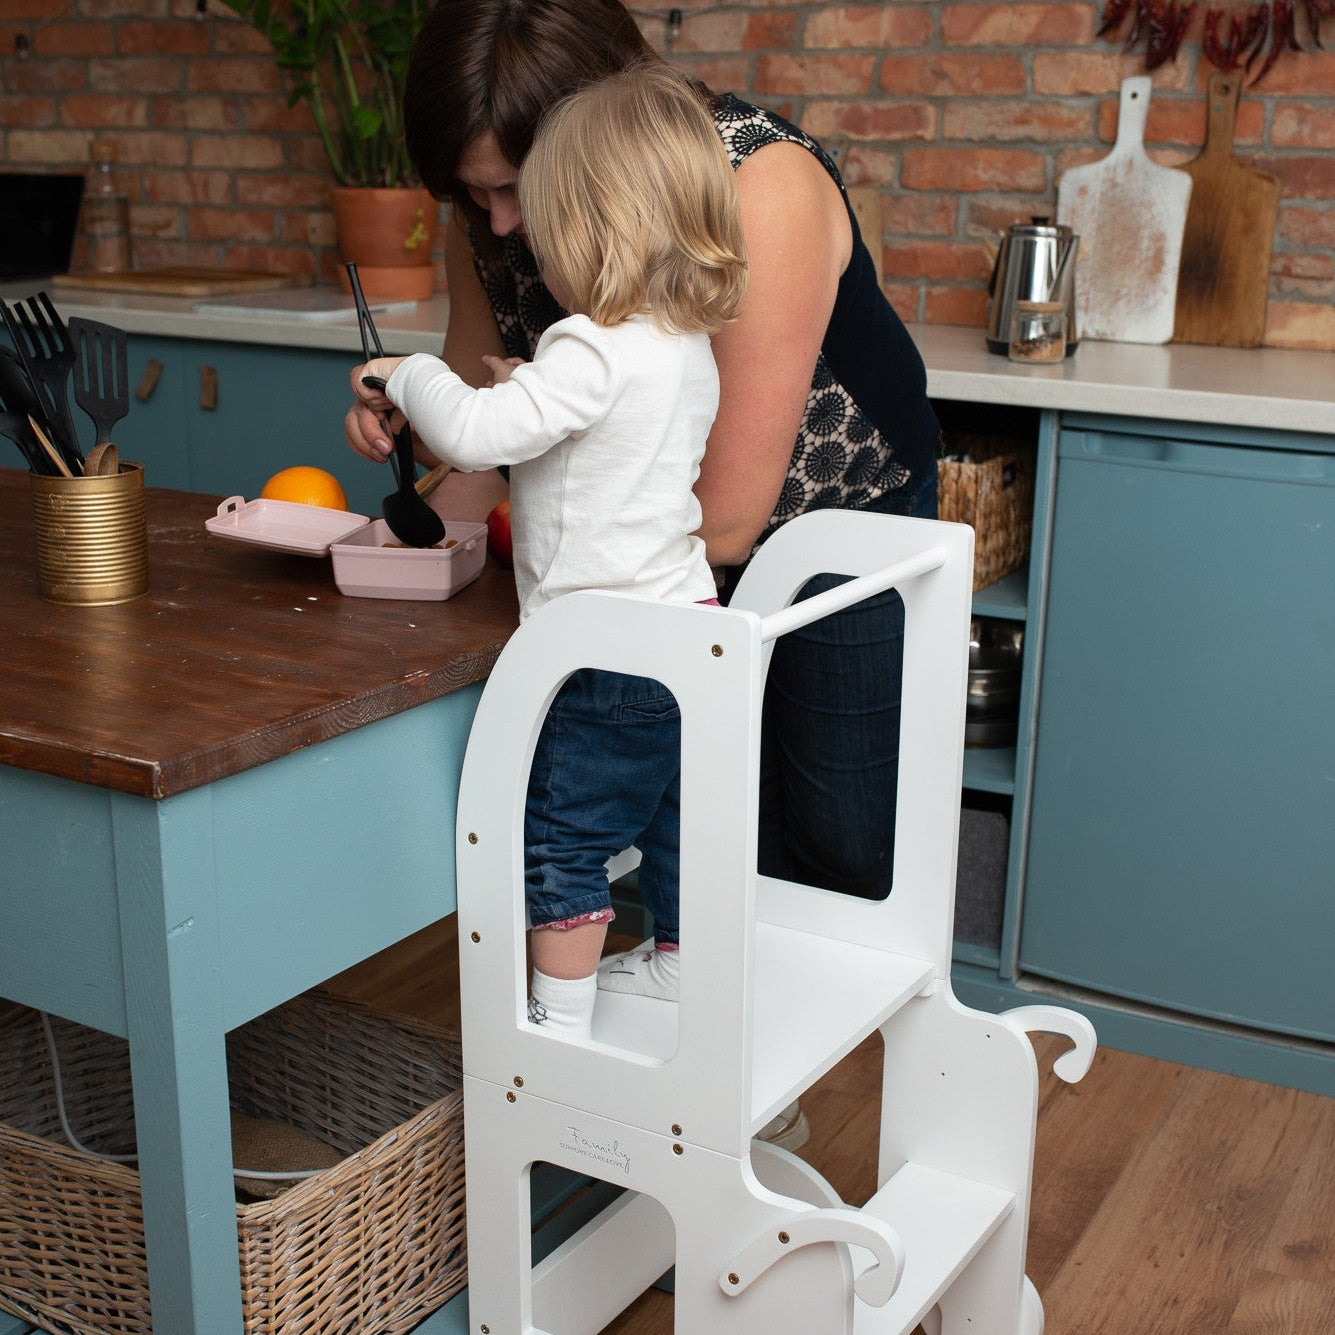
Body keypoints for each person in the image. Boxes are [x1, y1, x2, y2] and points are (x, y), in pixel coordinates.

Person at [345, 0, 940, 1036]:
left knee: (835, 841)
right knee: (705, 824)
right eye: (469, 194)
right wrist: (411, 506)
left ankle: (758, 1083)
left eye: (513, 192)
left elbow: (722, 519)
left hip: (828, 520)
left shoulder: (758, 189)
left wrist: (482, 429)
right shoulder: (498, 214)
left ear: (597, 153)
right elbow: (486, 458)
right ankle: (696, 1073)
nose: (495, 226)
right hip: (663, 552)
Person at [349, 63, 748, 1042]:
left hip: (597, 647)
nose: (522, 242)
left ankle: (557, 1019)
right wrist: (529, 381)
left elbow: (481, 437)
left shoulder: (591, 346)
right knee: (672, 815)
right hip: (685, 627)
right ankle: (678, 968)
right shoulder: (679, 346)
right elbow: (607, 445)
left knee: (559, 831)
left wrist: (413, 372)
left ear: (590, 231)